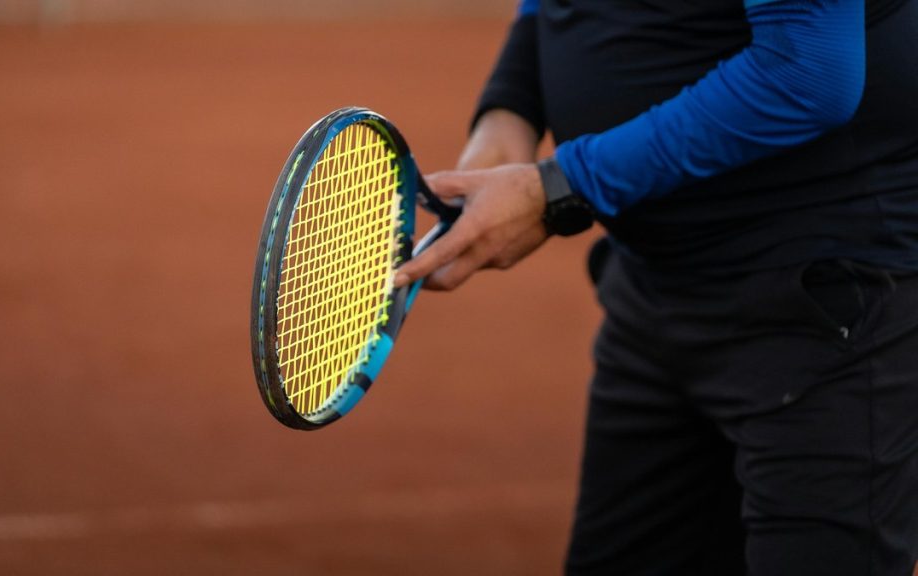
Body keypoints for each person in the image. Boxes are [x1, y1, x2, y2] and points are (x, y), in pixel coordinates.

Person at [393, 0, 918, 574]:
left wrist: (563, 188)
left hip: (825, 303)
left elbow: (807, 73)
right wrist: (510, 111)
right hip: (653, 292)